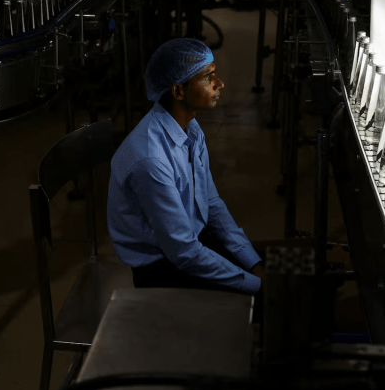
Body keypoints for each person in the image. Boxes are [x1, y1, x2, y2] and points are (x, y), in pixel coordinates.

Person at [107, 39, 266, 297]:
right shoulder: (151, 160)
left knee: (270, 266)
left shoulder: (190, 130)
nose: (220, 83)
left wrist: (254, 264)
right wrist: (257, 286)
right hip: (160, 267)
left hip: (190, 241)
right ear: (179, 91)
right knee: (264, 307)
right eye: (208, 77)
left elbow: (211, 203)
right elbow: (183, 252)